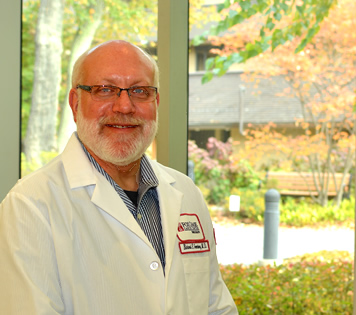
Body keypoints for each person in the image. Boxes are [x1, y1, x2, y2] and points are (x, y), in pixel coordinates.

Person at [0, 40, 238, 314]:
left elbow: (216, 306)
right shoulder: (30, 206)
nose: (124, 106)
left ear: (156, 102)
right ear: (75, 102)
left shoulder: (186, 192)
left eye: (140, 91)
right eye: (105, 90)